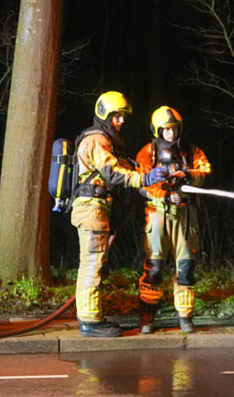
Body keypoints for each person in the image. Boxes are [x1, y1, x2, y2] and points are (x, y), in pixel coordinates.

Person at [71, 91, 168, 338]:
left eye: (123, 116)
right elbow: (113, 172)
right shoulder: (96, 140)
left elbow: (125, 167)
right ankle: (90, 321)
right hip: (91, 208)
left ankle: (92, 316)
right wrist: (144, 179)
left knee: (96, 263)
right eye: (116, 116)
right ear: (104, 114)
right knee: (93, 263)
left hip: (97, 207)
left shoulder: (106, 141)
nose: (121, 121)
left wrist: (148, 177)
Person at [136, 106, 212, 334]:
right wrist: (165, 194)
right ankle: (147, 316)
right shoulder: (147, 153)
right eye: (167, 129)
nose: (171, 133)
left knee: (186, 267)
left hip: (185, 215)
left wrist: (187, 175)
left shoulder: (190, 151)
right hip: (156, 214)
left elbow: (205, 171)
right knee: (154, 267)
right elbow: (141, 182)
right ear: (158, 130)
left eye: (175, 129)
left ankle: (185, 316)